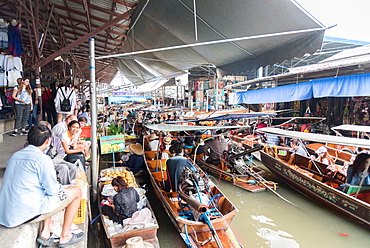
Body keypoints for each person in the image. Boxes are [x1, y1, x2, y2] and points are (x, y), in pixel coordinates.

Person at [0, 124, 84, 247]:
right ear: (47, 141)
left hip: (5, 213)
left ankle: (45, 233)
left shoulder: (14, 156)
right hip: (23, 213)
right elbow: (53, 191)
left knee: (44, 191)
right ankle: (65, 236)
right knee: (76, 191)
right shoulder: (42, 159)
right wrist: (63, 188)